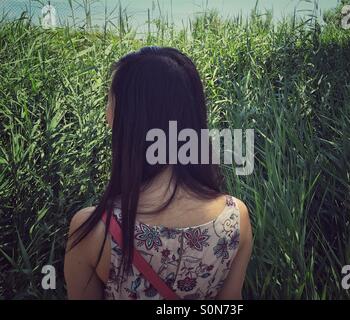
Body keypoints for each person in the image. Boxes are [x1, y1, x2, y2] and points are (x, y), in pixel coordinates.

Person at [64, 47, 253, 300]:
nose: (106, 116)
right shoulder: (234, 217)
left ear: (129, 119)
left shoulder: (93, 230)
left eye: (109, 101)